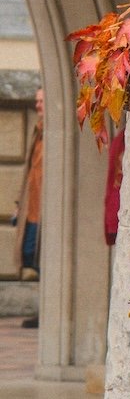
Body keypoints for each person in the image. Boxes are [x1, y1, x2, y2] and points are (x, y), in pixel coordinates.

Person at [14, 87, 43, 283]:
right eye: (37, 100)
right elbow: (29, 171)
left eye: (41, 101)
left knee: (38, 256)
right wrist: (19, 203)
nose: (37, 105)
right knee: (29, 256)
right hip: (31, 208)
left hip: (43, 211)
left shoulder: (54, 135)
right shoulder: (38, 130)